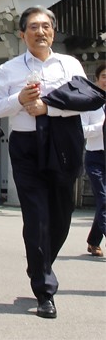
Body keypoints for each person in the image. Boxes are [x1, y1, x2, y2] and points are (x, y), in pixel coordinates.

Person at [0, 5, 93, 319]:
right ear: (22, 34)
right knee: (36, 217)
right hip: (26, 146)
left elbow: (85, 100)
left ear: (53, 32)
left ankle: (40, 263)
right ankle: (44, 288)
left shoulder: (69, 64)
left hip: (63, 142)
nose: (40, 32)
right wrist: (18, 100)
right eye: (33, 27)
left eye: (45, 26)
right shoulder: (9, 69)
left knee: (60, 216)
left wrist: (49, 108)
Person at [81, 62, 106, 257]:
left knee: (104, 202)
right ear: (97, 79)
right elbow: (80, 131)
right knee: (104, 199)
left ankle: (93, 241)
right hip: (95, 156)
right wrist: (101, 127)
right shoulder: (90, 103)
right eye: (104, 76)